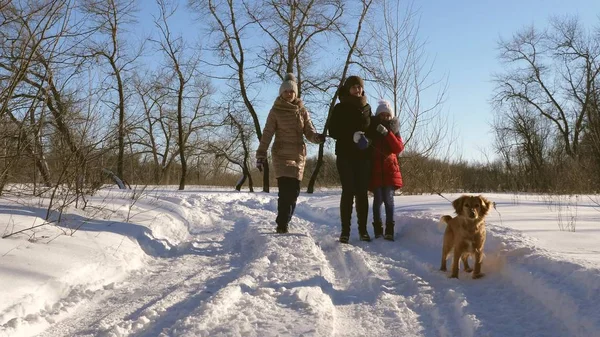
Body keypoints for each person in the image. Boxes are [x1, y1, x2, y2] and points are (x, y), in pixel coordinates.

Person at [256, 73, 326, 234]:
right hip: (281, 154)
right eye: (286, 91)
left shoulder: (302, 110)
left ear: (296, 94)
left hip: (298, 155)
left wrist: (317, 138)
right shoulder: (275, 111)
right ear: (281, 93)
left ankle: (285, 219)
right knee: (285, 190)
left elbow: (309, 131)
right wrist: (261, 154)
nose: (289, 94)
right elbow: (267, 133)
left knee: (294, 192)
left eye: (292, 91)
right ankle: (282, 223)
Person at [328, 75, 373, 243]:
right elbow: (332, 130)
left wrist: (368, 140)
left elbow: (371, 131)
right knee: (348, 191)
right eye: (354, 87)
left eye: (359, 87)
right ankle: (345, 231)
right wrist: (351, 135)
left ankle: (363, 230)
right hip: (345, 155)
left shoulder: (367, 107)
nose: (357, 89)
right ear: (348, 89)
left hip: (363, 156)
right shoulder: (340, 107)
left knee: (362, 193)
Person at [368, 99, 404, 241]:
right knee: (378, 201)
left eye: (387, 115)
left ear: (391, 116)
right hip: (376, 171)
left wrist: (388, 134)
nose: (384, 117)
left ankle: (389, 230)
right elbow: (367, 149)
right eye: (382, 115)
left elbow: (398, 149)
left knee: (389, 200)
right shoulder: (372, 130)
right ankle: (378, 230)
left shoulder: (395, 131)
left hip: (390, 172)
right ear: (378, 116)